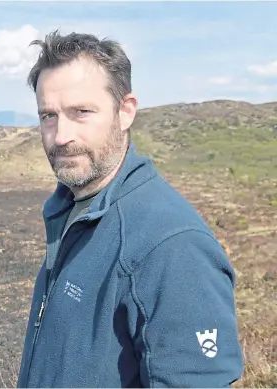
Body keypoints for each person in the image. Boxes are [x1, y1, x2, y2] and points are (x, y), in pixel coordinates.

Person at [17, 30, 244, 388]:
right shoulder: (72, 209)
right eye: (48, 116)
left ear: (125, 112)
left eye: (81, 112)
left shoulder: (172, 246)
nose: (61, 136)